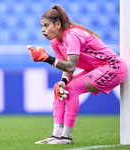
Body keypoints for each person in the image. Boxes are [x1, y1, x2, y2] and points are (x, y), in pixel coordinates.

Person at [27, 4, 127, 145]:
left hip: (113, 67)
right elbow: (68, 68)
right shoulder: (55, 41)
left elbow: (71, 65)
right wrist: (63, 81)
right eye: (42, 26)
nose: (42, 30)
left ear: (58, 24)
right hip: (96, 68)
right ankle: (56, 135)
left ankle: (66, 137)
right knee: (59, 88)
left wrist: (46, 58)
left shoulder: (72, 35)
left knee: (72, 88)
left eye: (46, 25)